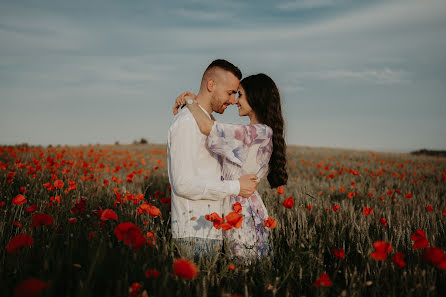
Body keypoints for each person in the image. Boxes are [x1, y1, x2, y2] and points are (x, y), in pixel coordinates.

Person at [173, 73, 287, 261]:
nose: (235, 101)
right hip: (240, 207)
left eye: (240, 95)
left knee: (243, 267)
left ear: (255, 97)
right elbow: (216, 128)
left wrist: (190, 101)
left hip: (241, 212)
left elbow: (207, 127)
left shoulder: (256, 132)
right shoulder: (256, 132)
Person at [167, 59, 259, 262]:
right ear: (211, 85)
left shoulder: (205, 123)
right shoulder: (187, 124)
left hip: (211, 232)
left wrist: (191, 101)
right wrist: (235, 187)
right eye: (230, 93)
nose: (234, 100)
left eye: (236, 94)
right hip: (194, 233)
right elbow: (182, 184)